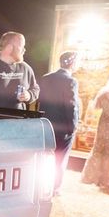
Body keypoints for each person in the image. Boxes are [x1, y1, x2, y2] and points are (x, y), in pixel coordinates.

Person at [39, 51, 80, 194]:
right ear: (73, 64)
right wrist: (73, 126)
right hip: (63, 128)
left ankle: (41, 184)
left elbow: (41, 101)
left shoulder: (45, 78)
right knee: (60, 158)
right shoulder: (71, 81)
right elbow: (71, 105)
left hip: (46, 124)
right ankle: (55, 187)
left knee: (45, 156)